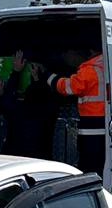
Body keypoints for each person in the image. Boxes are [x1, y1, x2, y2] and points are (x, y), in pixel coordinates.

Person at [46, 44, 107, 173]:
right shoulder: (106, 66)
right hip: (104, 125)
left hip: (91, 127)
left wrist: (49, 77)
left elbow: (70, 87)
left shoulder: (91, 69)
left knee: (88, 166)